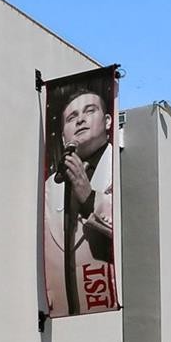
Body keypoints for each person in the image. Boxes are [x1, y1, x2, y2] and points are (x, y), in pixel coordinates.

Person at [45, 85, 115, 315]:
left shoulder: (123, 166)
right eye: (71, 118)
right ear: (63, 136)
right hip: (60, 313)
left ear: (107, 121)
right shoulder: (50, 186)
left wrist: (90, 199)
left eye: (90, 111)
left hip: (106, 301)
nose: (80, 120)